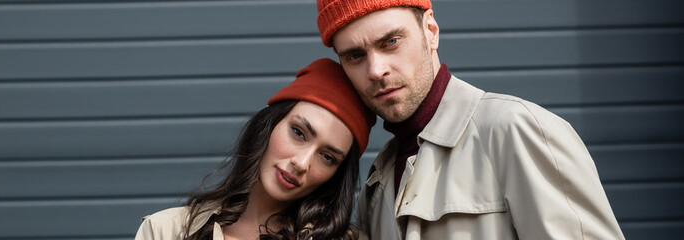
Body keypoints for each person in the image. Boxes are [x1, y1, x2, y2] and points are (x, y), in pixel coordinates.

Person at [315, 0, 626, 239]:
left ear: (430, 32)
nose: (376, 70)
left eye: (391, 42)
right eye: (355, 56)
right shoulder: (378, 178)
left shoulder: (516, 130)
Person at [134, 58, 376, 240]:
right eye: (298, 132)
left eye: (327, 157)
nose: (301, 163)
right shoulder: (166, 231)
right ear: (269, 125)